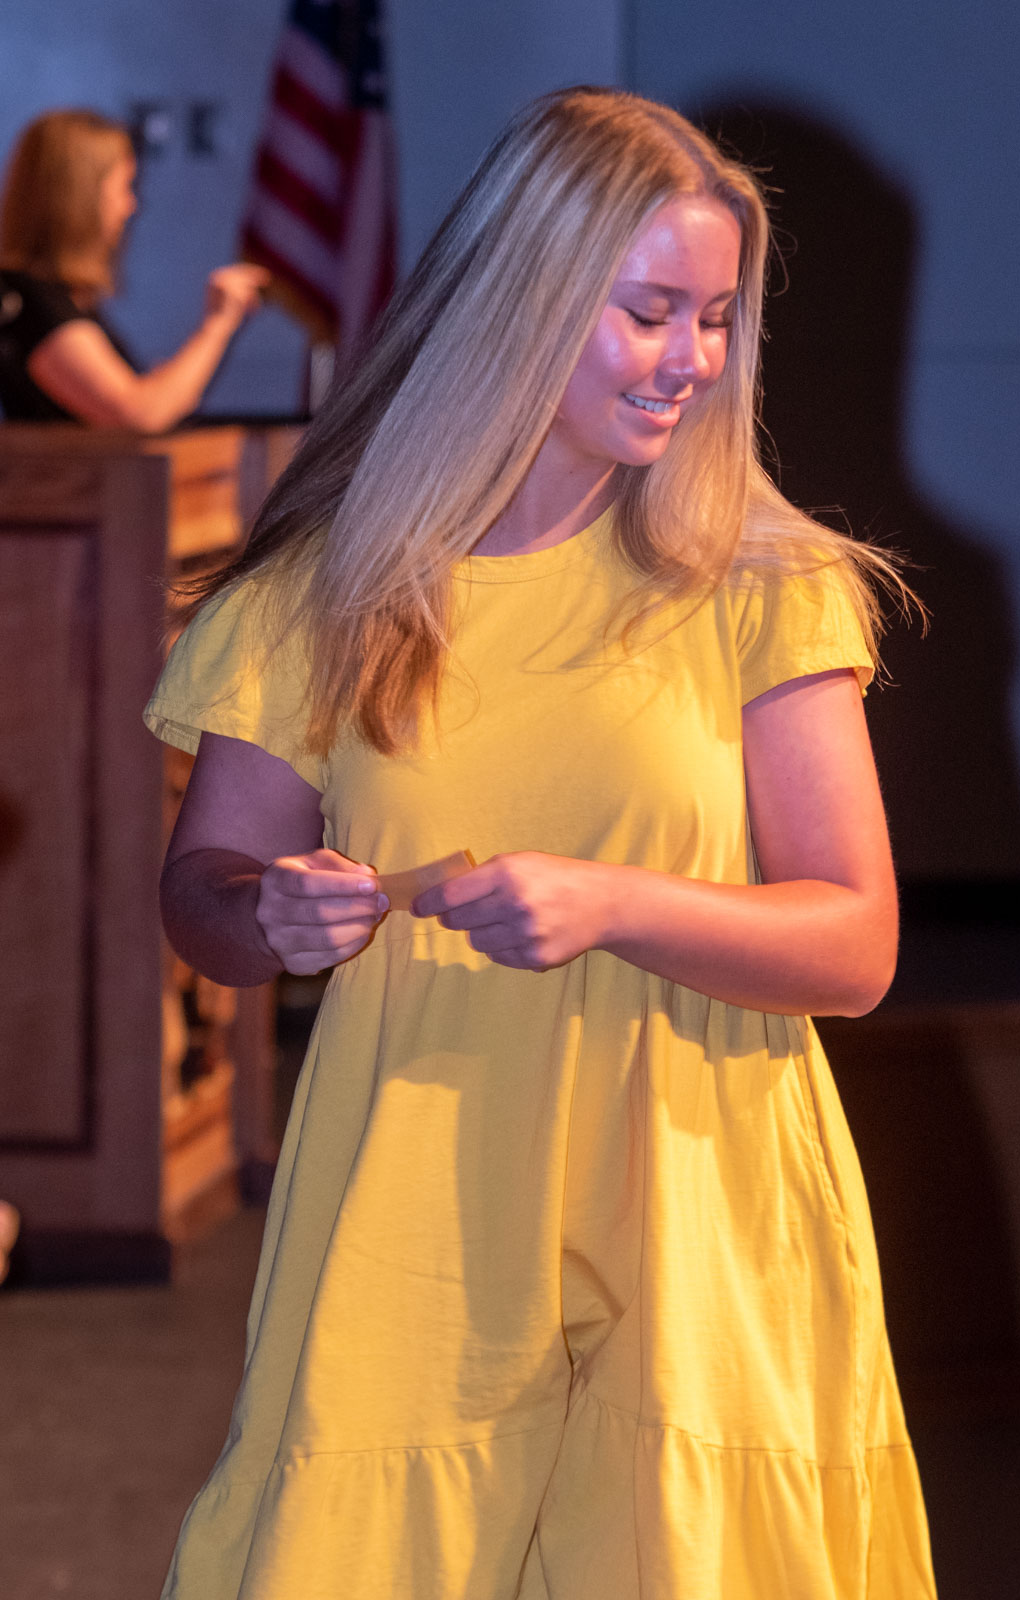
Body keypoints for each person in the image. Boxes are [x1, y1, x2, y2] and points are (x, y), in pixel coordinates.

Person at [145, 87, 937, 1599]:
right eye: (649, 313)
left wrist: (617, 903)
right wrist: (270, 914)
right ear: (523, 301)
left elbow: (856, 944)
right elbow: (203, 901)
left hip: (701, 1209)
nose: (692, 359)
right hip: (414, 1218)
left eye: (716, 319)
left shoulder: (765, 588)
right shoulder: (317, 598)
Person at [0, 108, 267, 428]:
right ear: (81, 196)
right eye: (124, 186)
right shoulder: (30, 300)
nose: (131, 205)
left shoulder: (62, 297)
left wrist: (168, 388)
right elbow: (136, 413)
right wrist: (217, 324)